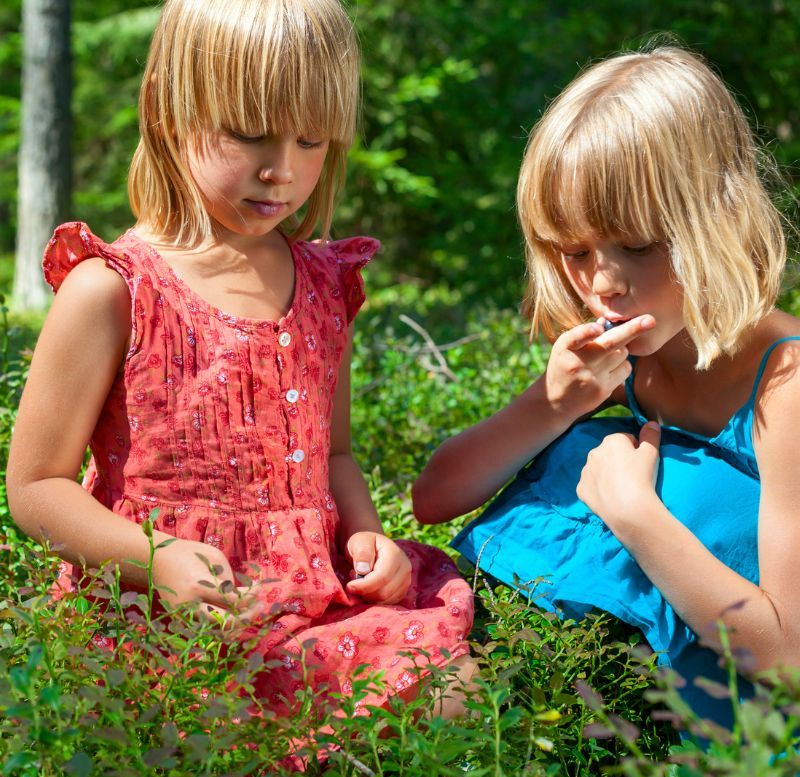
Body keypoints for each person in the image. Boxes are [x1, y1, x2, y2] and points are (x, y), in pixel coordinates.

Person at [7, 0, 474, 722]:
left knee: (452, 695)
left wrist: (365, 534)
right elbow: (36, 487)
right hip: (162, 616)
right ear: (168, 110)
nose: (281, 170)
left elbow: (335, 456)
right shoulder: (114, 289)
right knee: (195, 744)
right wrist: (154, 557)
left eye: (312, 140)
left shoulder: (324, 285)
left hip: (312, 602)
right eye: (249, 134)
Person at [412, 45, 800, 730]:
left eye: (639, 246)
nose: (603, 283)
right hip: (551, 674)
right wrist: (552, 403)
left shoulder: (785, 386)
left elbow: (789, 658)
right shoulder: (632, 358)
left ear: (720, 214)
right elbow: (434, 498)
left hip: (702, 714)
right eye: (575, 251)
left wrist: (635, 513)